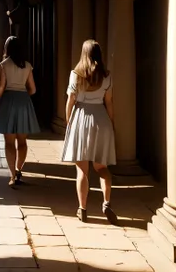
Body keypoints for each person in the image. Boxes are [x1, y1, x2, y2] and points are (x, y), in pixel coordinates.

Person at [61, 39, 118, 224]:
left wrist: (68, 121)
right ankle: (107, 202)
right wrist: (111, 124)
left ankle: (83, 209)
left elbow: (70, 100)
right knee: (102, 167)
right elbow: (109, 102)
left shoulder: (75, 75)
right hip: (101, 118)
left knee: (82, 170)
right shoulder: (106, 76)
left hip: (81, 117)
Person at [0, 36, 40, 187]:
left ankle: (12, 174)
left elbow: (1, 86)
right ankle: (19, 169)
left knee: (9, 142)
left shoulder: (3, 65)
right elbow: (33, 89)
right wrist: (23, 94)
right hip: (23, 101)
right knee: (22, 140)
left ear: (7, 49)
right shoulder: (27, 66)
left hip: (8, 101)